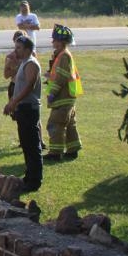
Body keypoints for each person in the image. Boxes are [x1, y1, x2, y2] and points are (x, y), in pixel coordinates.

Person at [3, 36, 43, 191]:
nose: (16, 50)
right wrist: (12, 102)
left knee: (32, 146)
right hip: (22, 108)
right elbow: (18, 85)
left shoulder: (31, 63)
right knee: (26, 144)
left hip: (29, 108)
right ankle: (29, 177)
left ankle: (34, 181)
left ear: (27, 49)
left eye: (19, 48)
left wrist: (14, 102)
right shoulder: (23, 63)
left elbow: (29, 86)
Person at [45, 24, 83, 161]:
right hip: (69, 97)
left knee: (56, 124)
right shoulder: (62, 55)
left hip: (62, 98)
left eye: (54, 39)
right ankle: (73, 150)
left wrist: (52, 94)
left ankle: (55, 153)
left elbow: (60, 78)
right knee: (70, 124)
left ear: (60, 42)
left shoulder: (63, 56)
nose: (52, 42)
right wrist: (49, 75)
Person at [4, 30, 26, 100]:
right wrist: (17, 68)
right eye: (17, 41)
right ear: (14, 41)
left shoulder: (31, 55)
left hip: (26, 86)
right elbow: (6, 75)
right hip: (15, 86)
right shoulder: (10, 57)